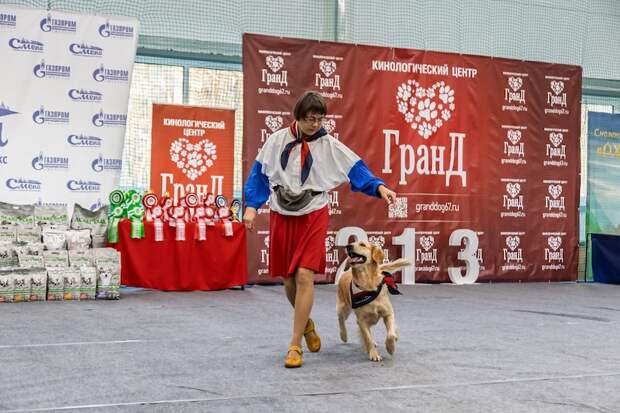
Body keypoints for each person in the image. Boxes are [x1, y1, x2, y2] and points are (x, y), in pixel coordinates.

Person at [243, 91, 396, 368]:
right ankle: (307, 325)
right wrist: (252, 206)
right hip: (282, 212)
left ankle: (294, 346)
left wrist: (380, 187)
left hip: (313, 211)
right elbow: (259, 175)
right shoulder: (277, 141)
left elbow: (356, 169)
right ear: (298, 117)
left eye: (320, 119)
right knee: (288, 281)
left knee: (304, 276)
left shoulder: (329, 145)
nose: (315, 124)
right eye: (310, 119)